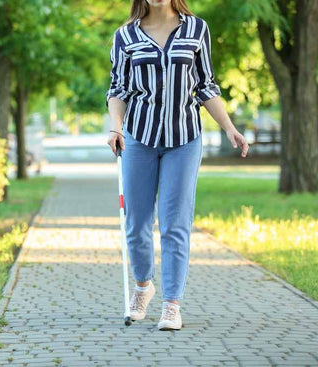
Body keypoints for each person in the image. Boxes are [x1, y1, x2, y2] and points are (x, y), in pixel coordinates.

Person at [105, 0, 249, 330]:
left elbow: (206, 85)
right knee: (137, 225)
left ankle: (172, 303)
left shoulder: (197, 29)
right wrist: (116, 127)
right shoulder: (125, 36)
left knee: (175, 223)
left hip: (184, 139)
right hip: (138, 139)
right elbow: (118, 88)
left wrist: (229, 127)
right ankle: (143, 286)